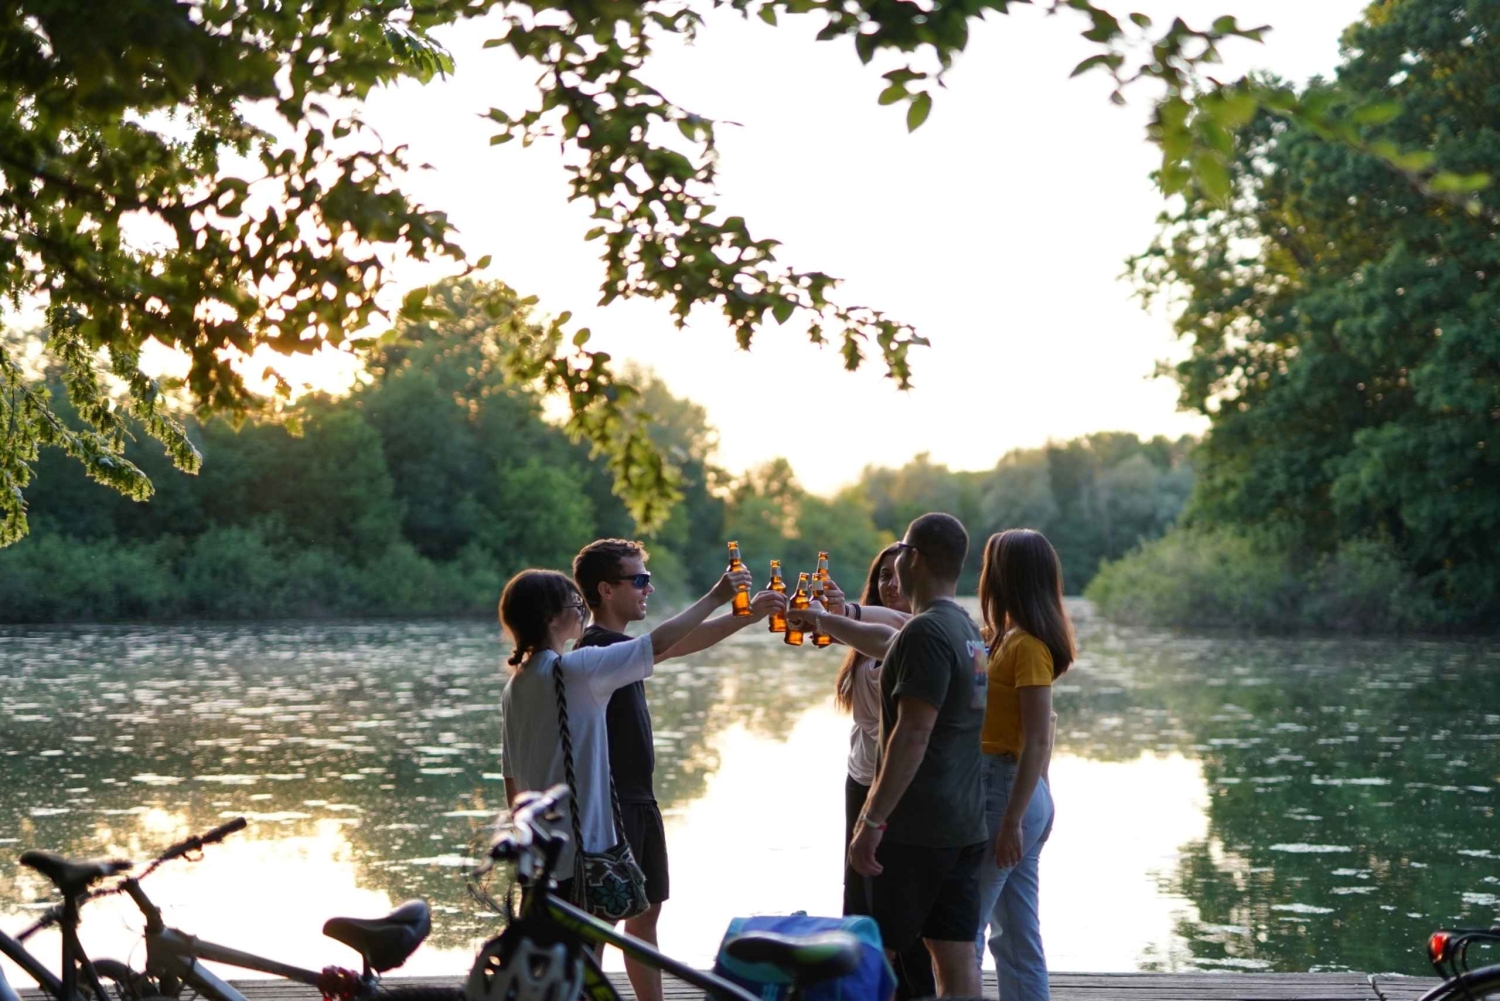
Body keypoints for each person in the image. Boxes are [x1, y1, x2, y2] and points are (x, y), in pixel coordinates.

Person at [570, 539, 787, 1001]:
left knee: (645, 915)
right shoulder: (594, 648)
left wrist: (749, 615)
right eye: (640, 579)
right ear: (606, 590)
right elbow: (666, 641)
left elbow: (678, 645)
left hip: (639, 799)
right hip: (611, 805)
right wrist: (717, 596)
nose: (649, 588)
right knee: (598, 923)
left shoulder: (621, 648)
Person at [796, 513, 987, 998]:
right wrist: (822, 621)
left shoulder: (924, 634)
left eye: (900, 551)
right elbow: (886, 639)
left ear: (914, 559)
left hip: (913, 825)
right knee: (956, 957)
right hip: (965, 823)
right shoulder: (965, 630)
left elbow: (912, 735)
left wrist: (872, 821)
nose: (896, 561)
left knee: (872, 947)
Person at [497, 561, 753, 907]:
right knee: (587, 950)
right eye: (575, 605)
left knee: (559, 955)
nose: (581, 611)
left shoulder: (515, 686)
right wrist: (717, 596)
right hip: (584, 852)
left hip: (540, 855)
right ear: (550, 617)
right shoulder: (579, 669)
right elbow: (659, 643)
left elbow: (511, 780)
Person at [826, 545, 936, 1001]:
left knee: (901, 901)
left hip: (900, 784)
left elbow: (891, 628)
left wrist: (842, 611)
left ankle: (913, 991)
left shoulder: (924, 632)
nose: (891, 584)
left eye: (898, 576)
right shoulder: (864, 637)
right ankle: (864, 989)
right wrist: (824, 613)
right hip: (860, 775)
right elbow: (844, 632)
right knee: (859, 895)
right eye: (883, 576)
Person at [971, 529, 1075, 1001]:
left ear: (1005, 574)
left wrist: (1018, 819)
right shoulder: (1004, 637)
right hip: (1016, 793)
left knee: (962, 931)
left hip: (1005, 795)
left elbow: (1038, 736)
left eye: (991, 563)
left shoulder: (1028, 646)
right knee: (1014, 936)